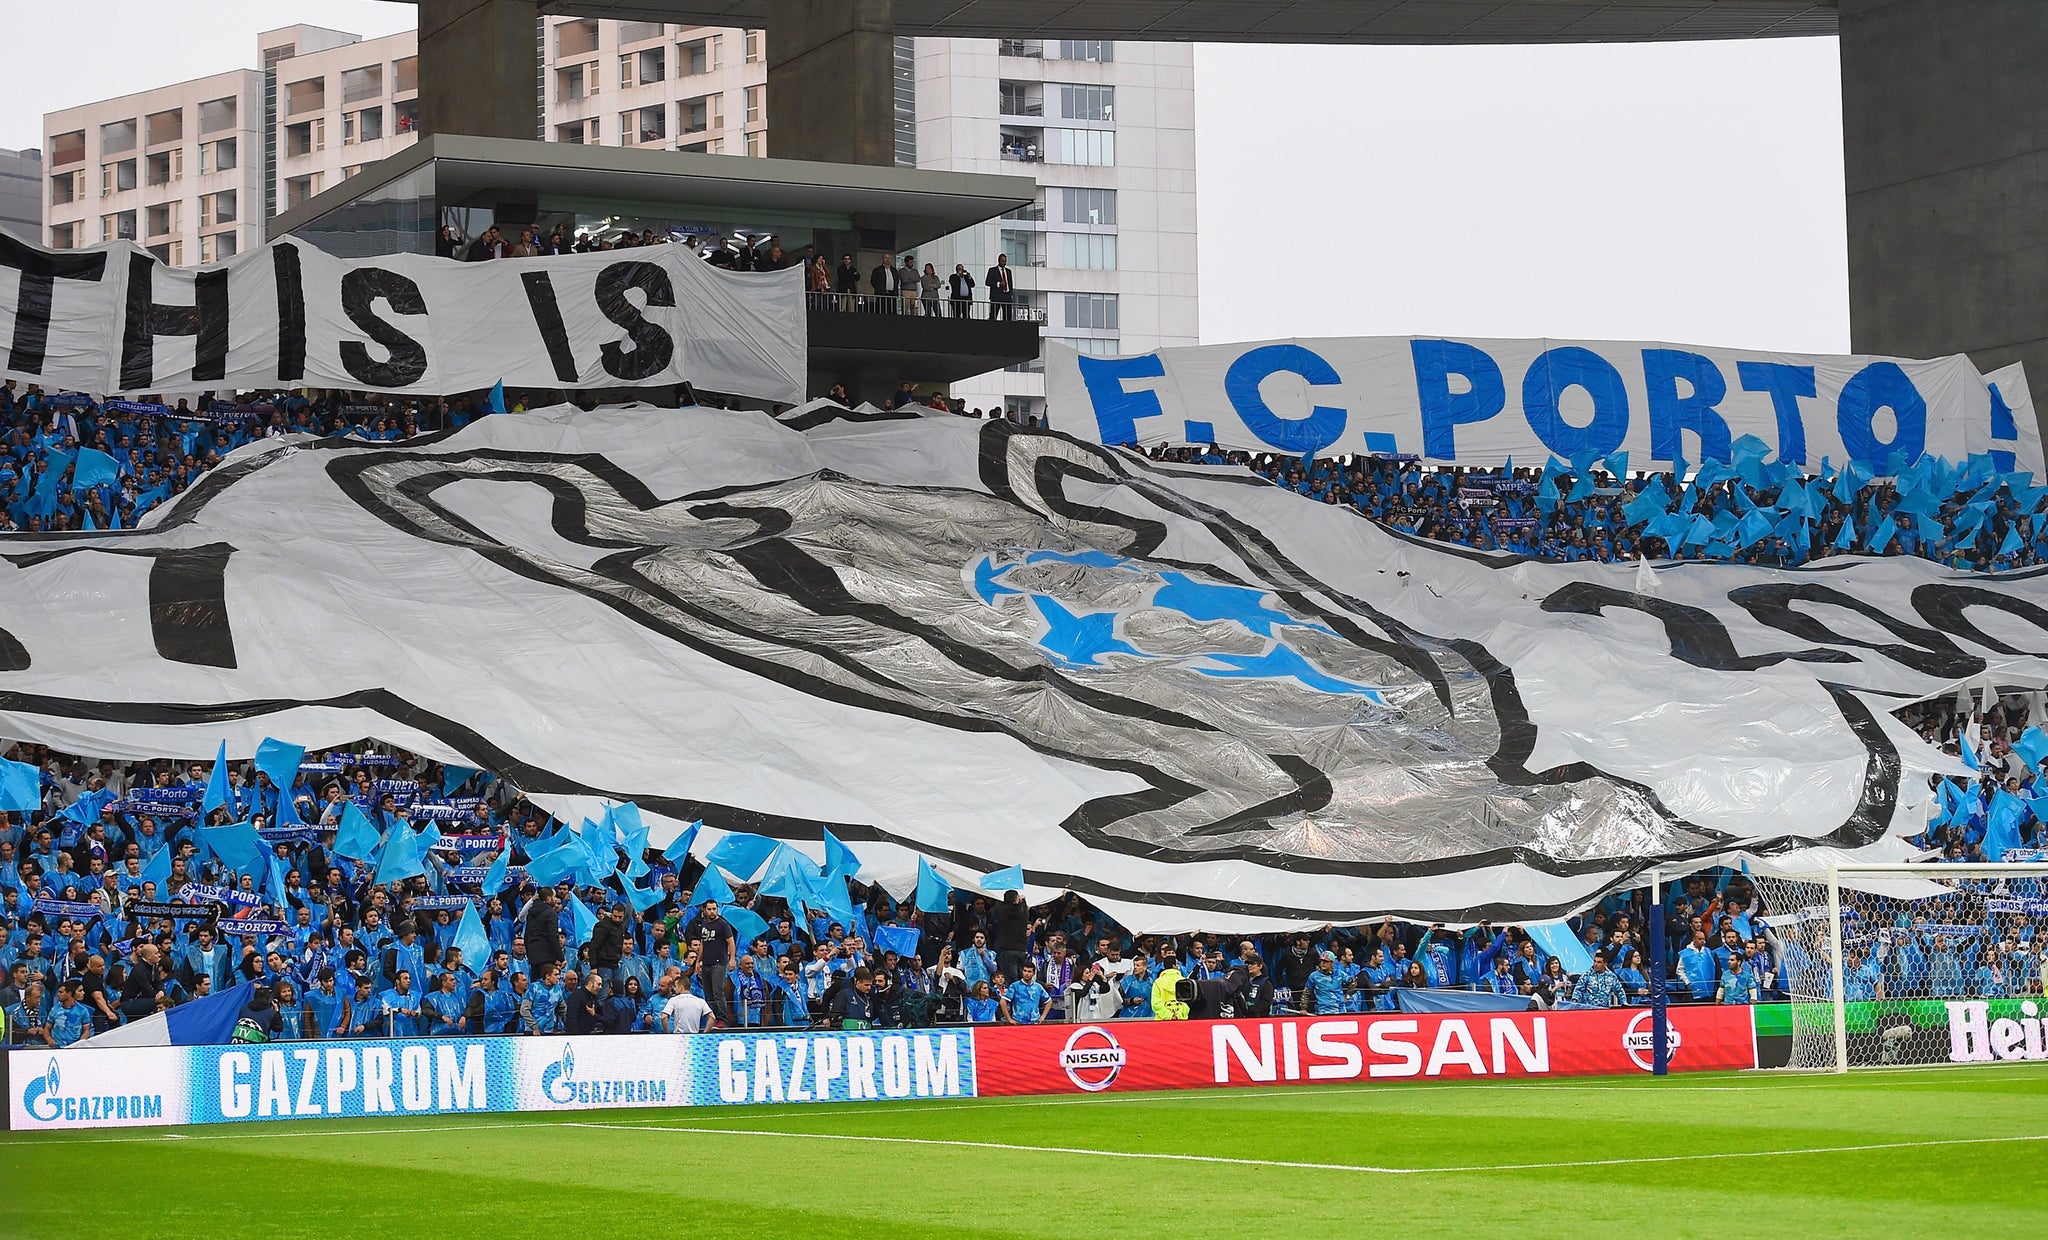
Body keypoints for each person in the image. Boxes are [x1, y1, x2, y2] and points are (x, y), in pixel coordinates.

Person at [692, 898, 737, 1024]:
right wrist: (698, 961)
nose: (712, 912)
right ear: (704, 910)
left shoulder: (723, 924)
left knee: (718, 992)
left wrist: (732, 959)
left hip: (719, 962)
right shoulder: (705, 924)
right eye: (709, 909)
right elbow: (702, 944)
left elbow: (731, 942)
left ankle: (722, 1020)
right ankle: (713, 1018)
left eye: (714, 909)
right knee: (709, 994)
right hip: (706, 962)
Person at [1151, 946, 1188, 1020]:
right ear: (1174, 965)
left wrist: (1169, 1016)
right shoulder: (1184, 981)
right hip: (1182, 1021)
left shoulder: (1157, 982)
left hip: (1162, 1021)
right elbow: (1187, 1003)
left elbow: (1155, 1004)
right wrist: (1179, 1015)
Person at [985, 254, 1014, 320]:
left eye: (1005, 261)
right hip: (996, 297)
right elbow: (987, 282)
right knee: (993, 315)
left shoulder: (1008, 271)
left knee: (1007, 317)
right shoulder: (992, 270)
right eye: (1002, 261)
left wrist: (1010, 294)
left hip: (1007, 297)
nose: (1004, 263)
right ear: (999, 261)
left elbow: (1010, 284)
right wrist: (998, 284)